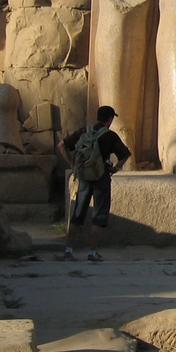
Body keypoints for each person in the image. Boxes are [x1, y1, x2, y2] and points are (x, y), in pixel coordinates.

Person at [57, 105, 132, 263]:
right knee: (99, 216)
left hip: (84, 177)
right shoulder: (110, 135)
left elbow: (61, 145)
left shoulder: (84, 132)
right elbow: (125, 154)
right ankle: (92, 253)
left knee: (77, 214)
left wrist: (72, 164)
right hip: (101, 178)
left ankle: (68, 251)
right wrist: (115, 168)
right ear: (109, 120)